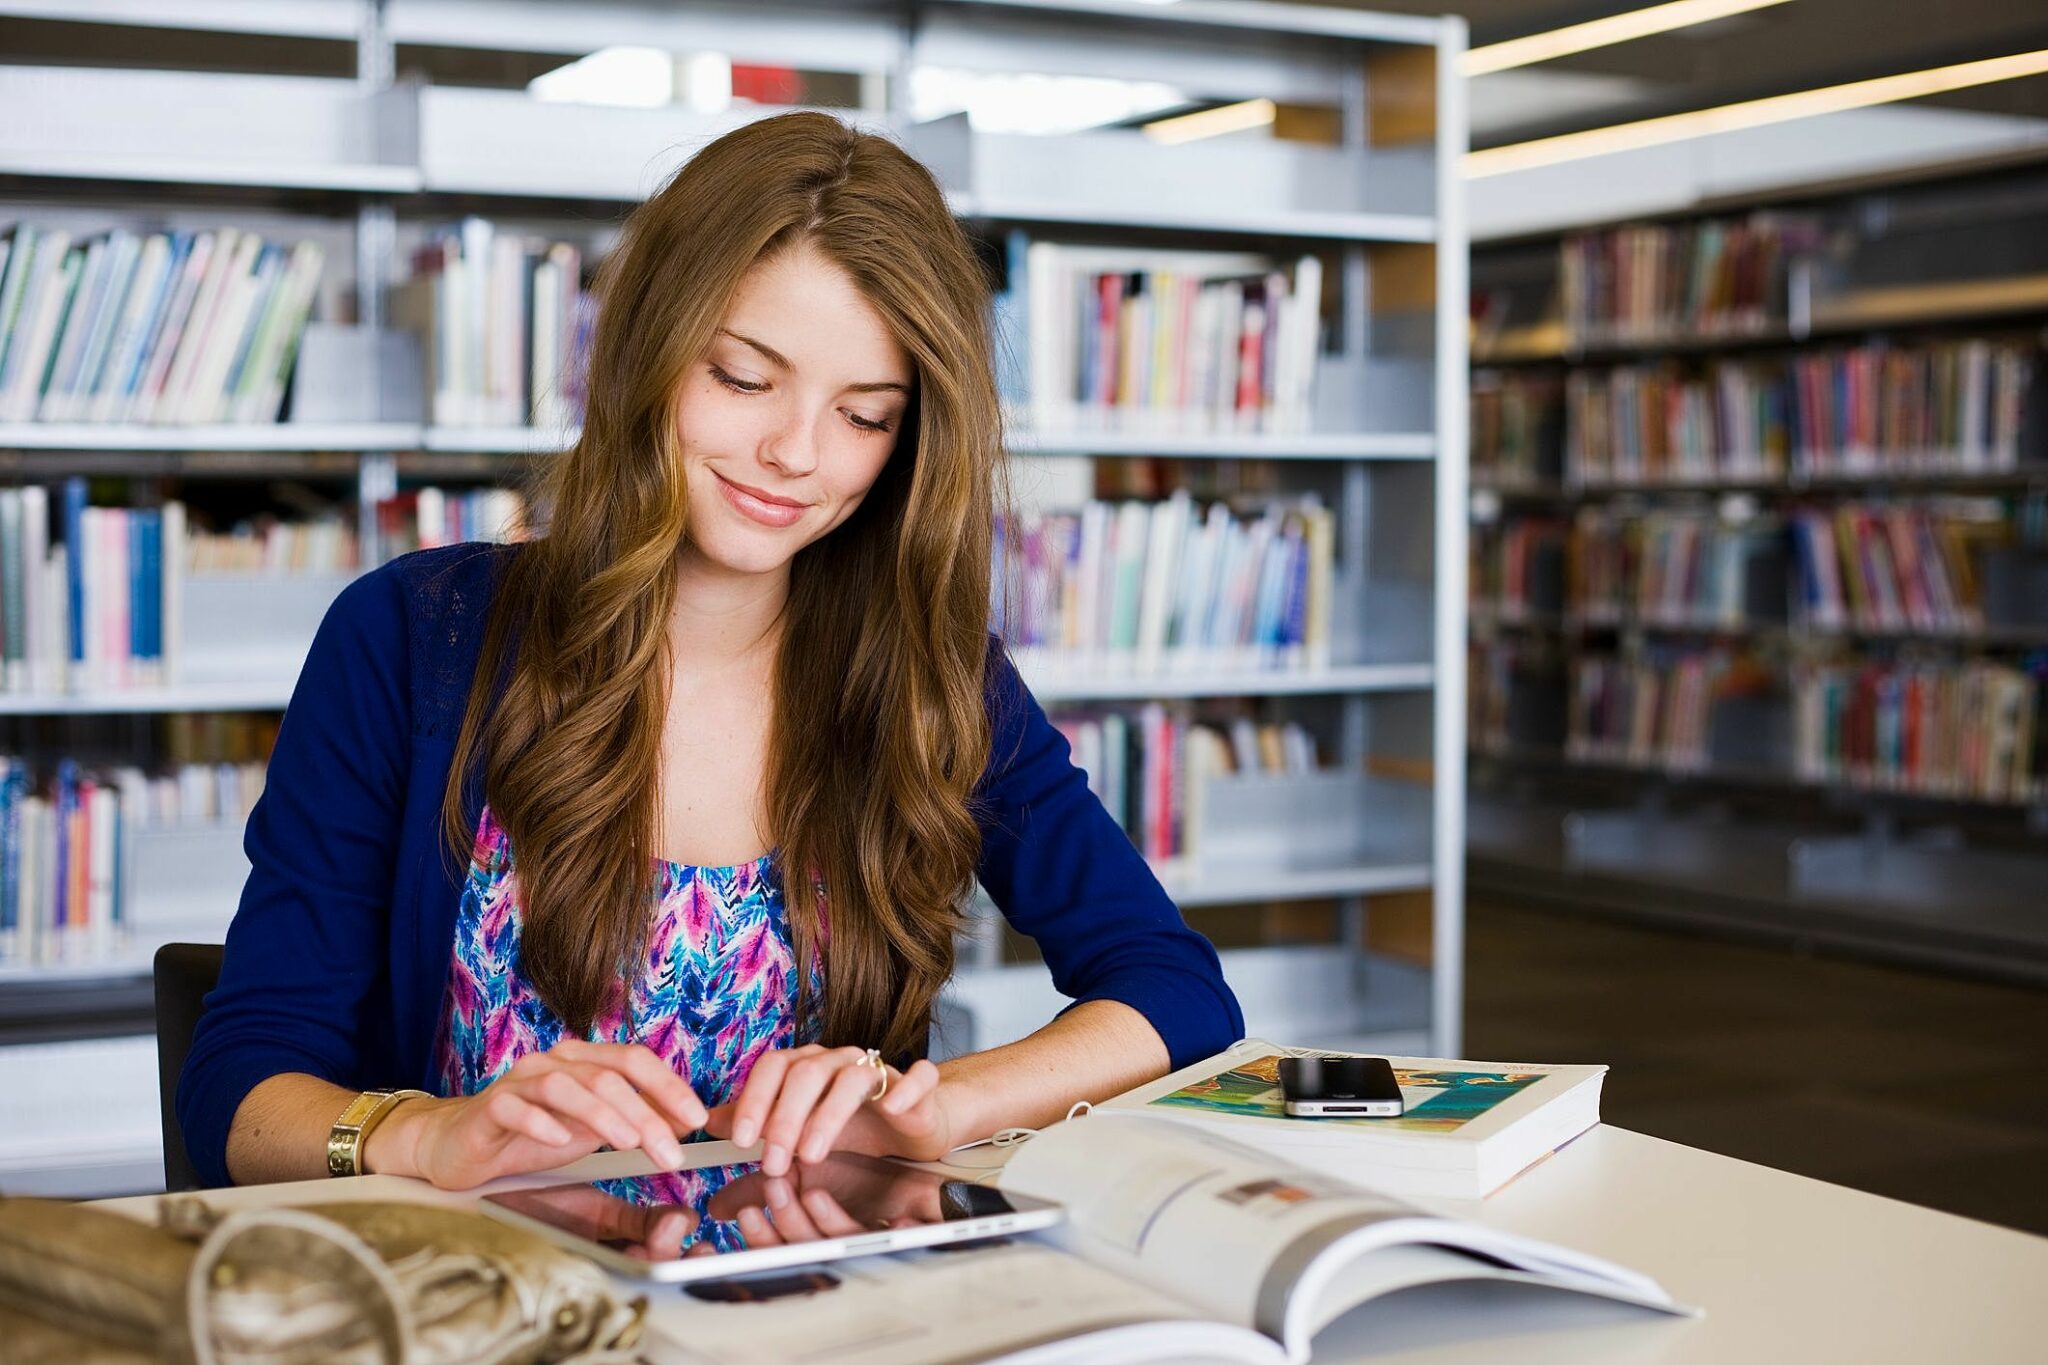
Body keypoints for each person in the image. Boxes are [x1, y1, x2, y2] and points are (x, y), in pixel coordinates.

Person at [178, 110, 1243, 1193]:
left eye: (865, 416)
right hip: (490, 1311)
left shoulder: (928, 674)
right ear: (649, 350)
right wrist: (429, 1137)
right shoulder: (413, 638)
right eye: (743, 378)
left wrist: (937, 1107)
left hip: (818, 1314)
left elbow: (1173, 989)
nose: (795, 454)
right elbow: (241, 1083)